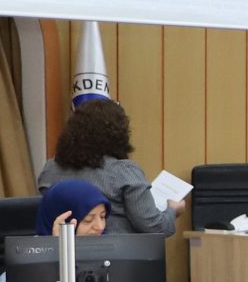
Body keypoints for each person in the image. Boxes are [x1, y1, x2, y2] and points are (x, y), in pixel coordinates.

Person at [39, 98, 181, 237]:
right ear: (118, 135)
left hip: (60, 249)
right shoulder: (124, 172)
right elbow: (155, 228)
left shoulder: (50, 169)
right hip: (117, 251)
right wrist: (172, 210)